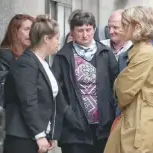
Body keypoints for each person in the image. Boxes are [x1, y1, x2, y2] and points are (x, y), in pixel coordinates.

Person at [104, 6, 153, 153]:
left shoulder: (144, 52)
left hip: (144, 124)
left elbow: (123, 90)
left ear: (137, 27)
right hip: (141, 119)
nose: (121, 29)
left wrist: (118, 82)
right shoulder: (140, 49)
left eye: (125, 25)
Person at [52, 11, 118, 153]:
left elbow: (117, 84)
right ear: (72, 32)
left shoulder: (106, 54)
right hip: (73, 128)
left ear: (94, 29)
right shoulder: (63, 56)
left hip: (103, 127)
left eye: (88, 30)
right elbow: (54, 88)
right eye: (80, 30)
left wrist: (111, 111)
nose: (85, 34)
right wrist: (68, 113)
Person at [4, 15, 66, 153]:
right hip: (22, 137)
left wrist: (49, 133)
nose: (58, 42)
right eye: (57, 38)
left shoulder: (42, 63)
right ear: (46, 39)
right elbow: (28, 100)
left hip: (36, 136)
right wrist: (39, 134)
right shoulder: (26, 63)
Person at [0, 14, 34, 107]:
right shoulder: (5, 55)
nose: (31, 33)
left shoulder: (31, 55)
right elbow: (0, 93)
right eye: (27, 29)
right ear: (15, 32)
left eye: (33, 29)